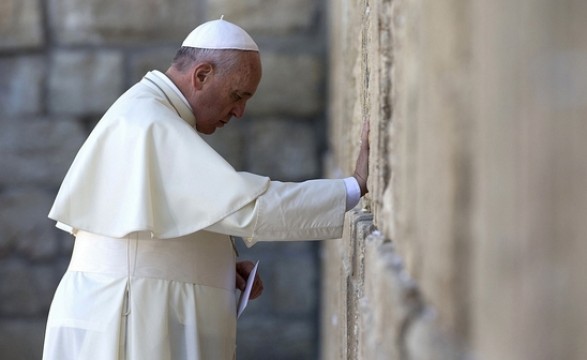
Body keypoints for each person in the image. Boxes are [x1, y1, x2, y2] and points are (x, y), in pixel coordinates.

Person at [42, 18, 369, 360]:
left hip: (127, 307)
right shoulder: (150, 123)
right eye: (237, 95)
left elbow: (156, 230)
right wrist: (353, 187)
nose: (240, 112)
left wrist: (217, 263)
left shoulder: (149, 111)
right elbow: (248, 207)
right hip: (126, 319)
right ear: (201, 76)